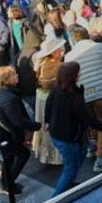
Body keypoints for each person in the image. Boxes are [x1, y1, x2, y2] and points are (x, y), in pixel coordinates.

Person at [45, 62, 102, 196]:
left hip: (58, 134)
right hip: (67, 139)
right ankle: (55, 199)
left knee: (79, 156)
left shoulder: (57, 88)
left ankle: (68, 183)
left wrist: (47, 121)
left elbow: (48, 105)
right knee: (70, 169)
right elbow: (88, 119)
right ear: (73, 76)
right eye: (78, 72)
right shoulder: (75, 97)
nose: (80, 73)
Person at [64, 26, 102, 173]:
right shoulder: (99, 47)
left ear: (73, 39)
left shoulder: (69, 56)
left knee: (90, 122)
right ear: (87, 35)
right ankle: (100, 158)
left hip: (83, 95)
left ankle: (92, 147)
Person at [0, 66, 42, 195]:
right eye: (14, 75)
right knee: (23, 154)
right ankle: (7, 185)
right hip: (0, 136)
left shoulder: (1, 92)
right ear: (6, 79)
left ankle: (5, 183)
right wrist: (39, 126)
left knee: (9, 158)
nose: (17, 76)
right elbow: (18, 122)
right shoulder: (8, 97)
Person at [32, 37, 65, 165]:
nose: (62, 51)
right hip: (51, 99)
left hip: (40, 98)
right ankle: (55, 157)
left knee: (42, 125)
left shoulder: (41, 62)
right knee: (53, 126)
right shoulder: (59, 66)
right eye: (58, 50)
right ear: (52, 52)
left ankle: (44, 154)